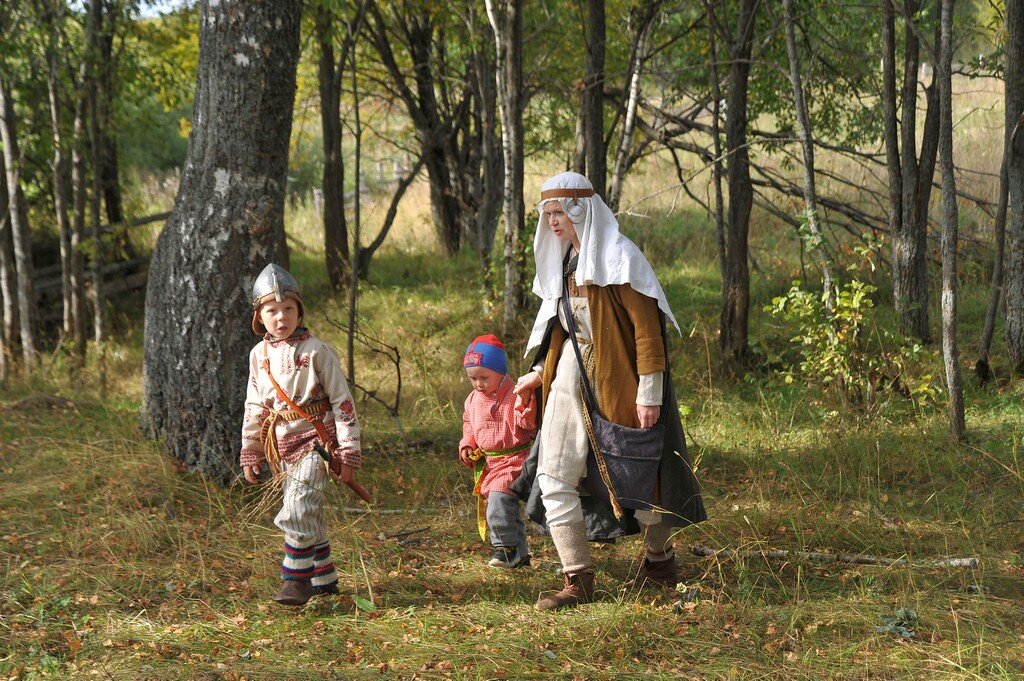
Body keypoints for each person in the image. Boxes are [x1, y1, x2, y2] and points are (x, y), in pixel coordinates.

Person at [511, 171, 706, 610]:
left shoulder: (620, 257)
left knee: (636, 472)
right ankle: (577, 578)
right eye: (548, 214)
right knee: (553, 472)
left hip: (621, 380)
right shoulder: (565, 263)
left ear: (582, 210)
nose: (553, 222)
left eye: (560, 212)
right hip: (568, 376)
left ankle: (660, 561)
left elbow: (647, 333)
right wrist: (539, 370)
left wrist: (649, 393)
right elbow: (561, 326)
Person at [239, 263, 362, 607]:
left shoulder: (316, 350)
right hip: (280, 445)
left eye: (288, 309)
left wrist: (348, 451)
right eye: (272, 310)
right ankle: (324, 579)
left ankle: (295, 581)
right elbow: (254, 404)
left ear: (300, 311)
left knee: (297, 508)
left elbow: (342, 400)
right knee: (309, 512)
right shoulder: (258, 355)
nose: (281, 317)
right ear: (259, 317)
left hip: (316, 442)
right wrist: (251, 450)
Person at [458, 334, 538, 568]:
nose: (478, 383)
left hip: (515, 459)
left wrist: (525, 404)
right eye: (472, 378)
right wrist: (467, 443)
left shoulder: (516, 393)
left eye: (484, 377)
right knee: (505, 507)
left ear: (500, 371)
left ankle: (505, 548)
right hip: (490, 463)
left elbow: (529, 424)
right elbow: (468, 423)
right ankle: (521, 556)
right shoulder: (473, 400)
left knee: (499, 502)